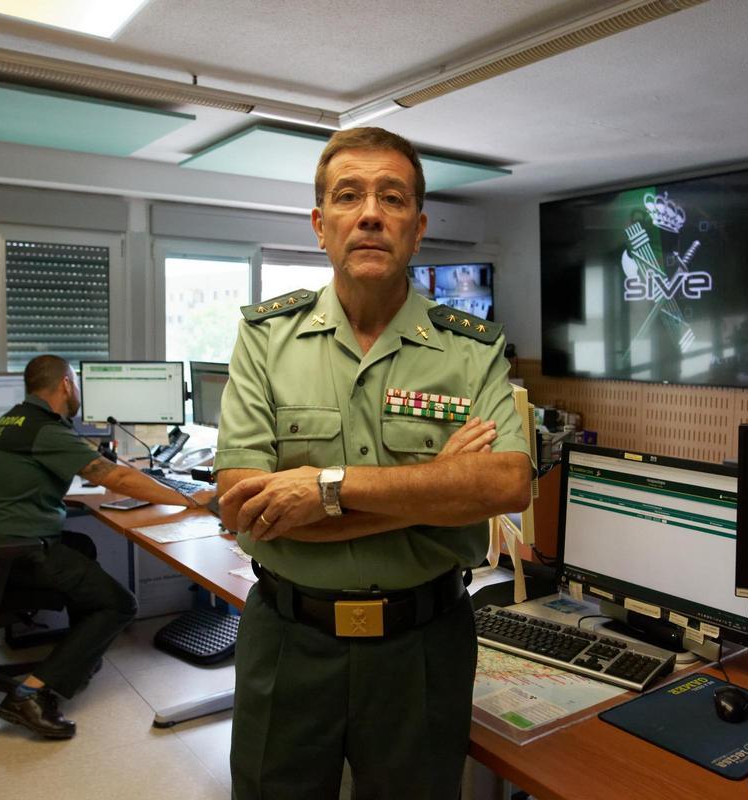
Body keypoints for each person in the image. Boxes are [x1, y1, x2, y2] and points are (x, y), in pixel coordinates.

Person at [216, 127, 533, 799]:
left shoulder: (470, 350)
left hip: (422, 648)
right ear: (319, 224)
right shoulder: (266, 339)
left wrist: (324, 490)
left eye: (391, 198)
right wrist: (436, 490)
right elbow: (245, 506)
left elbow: (506, 483)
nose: (369, 213)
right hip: (288, 642)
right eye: (348, 195)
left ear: (417, 230)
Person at [0, 354, 212, 739]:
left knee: (82, 546)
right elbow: (116, 479)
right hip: (13, 551)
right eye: (75, 383)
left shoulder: (14, 419)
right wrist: (189, 499)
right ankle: (30, 694)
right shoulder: (45, 431)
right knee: (121, 603)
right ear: (65, 384)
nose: (77, 390)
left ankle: (78, 658)